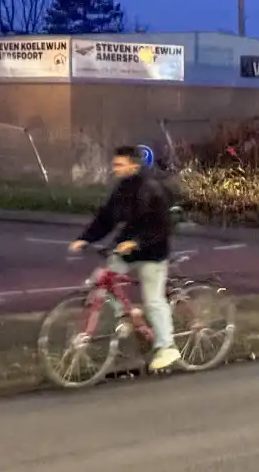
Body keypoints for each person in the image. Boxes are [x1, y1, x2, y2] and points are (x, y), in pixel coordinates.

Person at [68, 146, 181, 372]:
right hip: (126, 248)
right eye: (115, 164)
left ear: (134, 165)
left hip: (152, 251)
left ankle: (167, 346)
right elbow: (106, 217)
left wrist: (136, 242)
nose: (114, 169)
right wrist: (85, 239)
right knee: (103, 277)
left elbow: (160, 225)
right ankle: (127, 316)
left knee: (153, 300)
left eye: (119, 165)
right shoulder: (123, 188)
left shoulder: (151, 189)